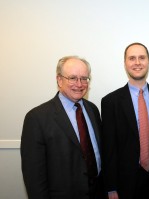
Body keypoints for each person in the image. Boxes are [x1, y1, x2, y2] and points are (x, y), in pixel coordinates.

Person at [21, 56, 105, 199]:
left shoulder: (93, 110)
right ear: (59, 80)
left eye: (84, 78)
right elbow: (34, 177)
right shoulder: (37, 118)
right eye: (72, 78)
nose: (79, 84)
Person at [101, 42, 149, 199]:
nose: (137, 62)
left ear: (148, 61)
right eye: (132, 58)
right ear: (125, 63)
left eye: (142, 58)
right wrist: (111, 188)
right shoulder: (111, 102)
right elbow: (108, 149)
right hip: (126, 183)